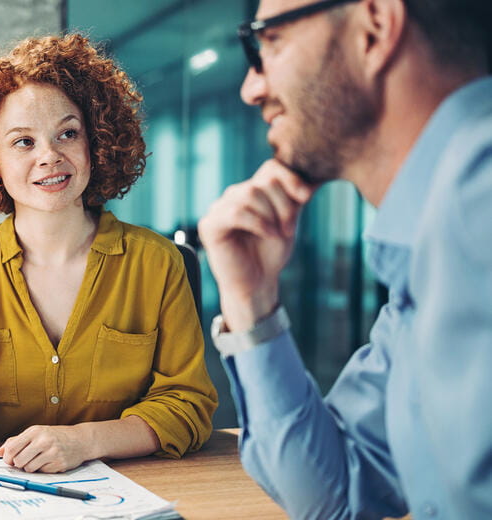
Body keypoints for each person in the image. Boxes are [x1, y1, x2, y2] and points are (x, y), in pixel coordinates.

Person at [197, 0, 492, 517]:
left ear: (375, 29)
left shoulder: (477, 195)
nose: (251, 87)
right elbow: (339, 494)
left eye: (269, 41)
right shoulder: (428, 246)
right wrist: (252, 303)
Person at [0, 34, 217, 473]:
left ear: (96, 143)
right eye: (23, 142)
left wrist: (85, 440)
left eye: (67, 134)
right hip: (4, 497)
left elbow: (188, 405)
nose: (50, 156)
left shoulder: (157, 262)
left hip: (136, 494)